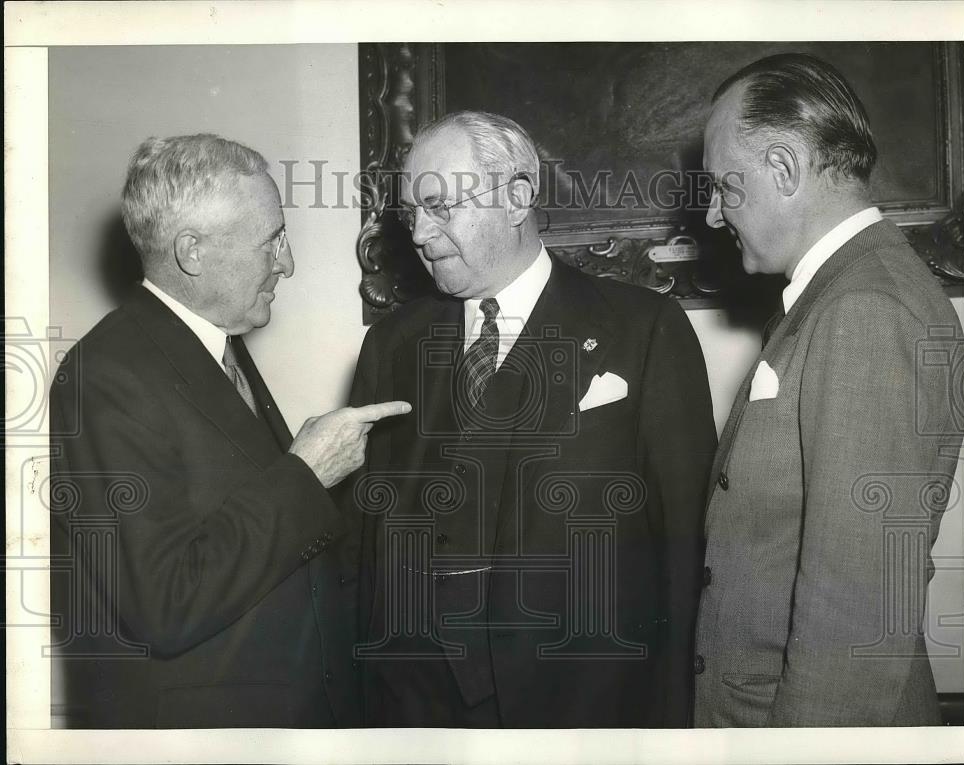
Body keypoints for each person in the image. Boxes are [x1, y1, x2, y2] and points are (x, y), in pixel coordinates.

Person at [344, 111, 717, 727]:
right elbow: (363, 541)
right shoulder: (391, 344)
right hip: (415, 707)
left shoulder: (644, 329)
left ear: (516, 198)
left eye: (439, 205)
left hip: (579, 706)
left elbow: (685, 546)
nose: (418, 232)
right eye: (411, 213)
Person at [48, 134, 409, 728]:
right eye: (272, 240)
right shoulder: (106, 375)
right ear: (192, 251)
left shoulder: (212, 346)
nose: (287, 263)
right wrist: (306, 473)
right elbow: (165, 603)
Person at [695, 54, 964, 727]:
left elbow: (853, 617)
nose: (710, 214)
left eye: (723, 186)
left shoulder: (864, 307)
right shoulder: (838, 293)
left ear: (784, 169)